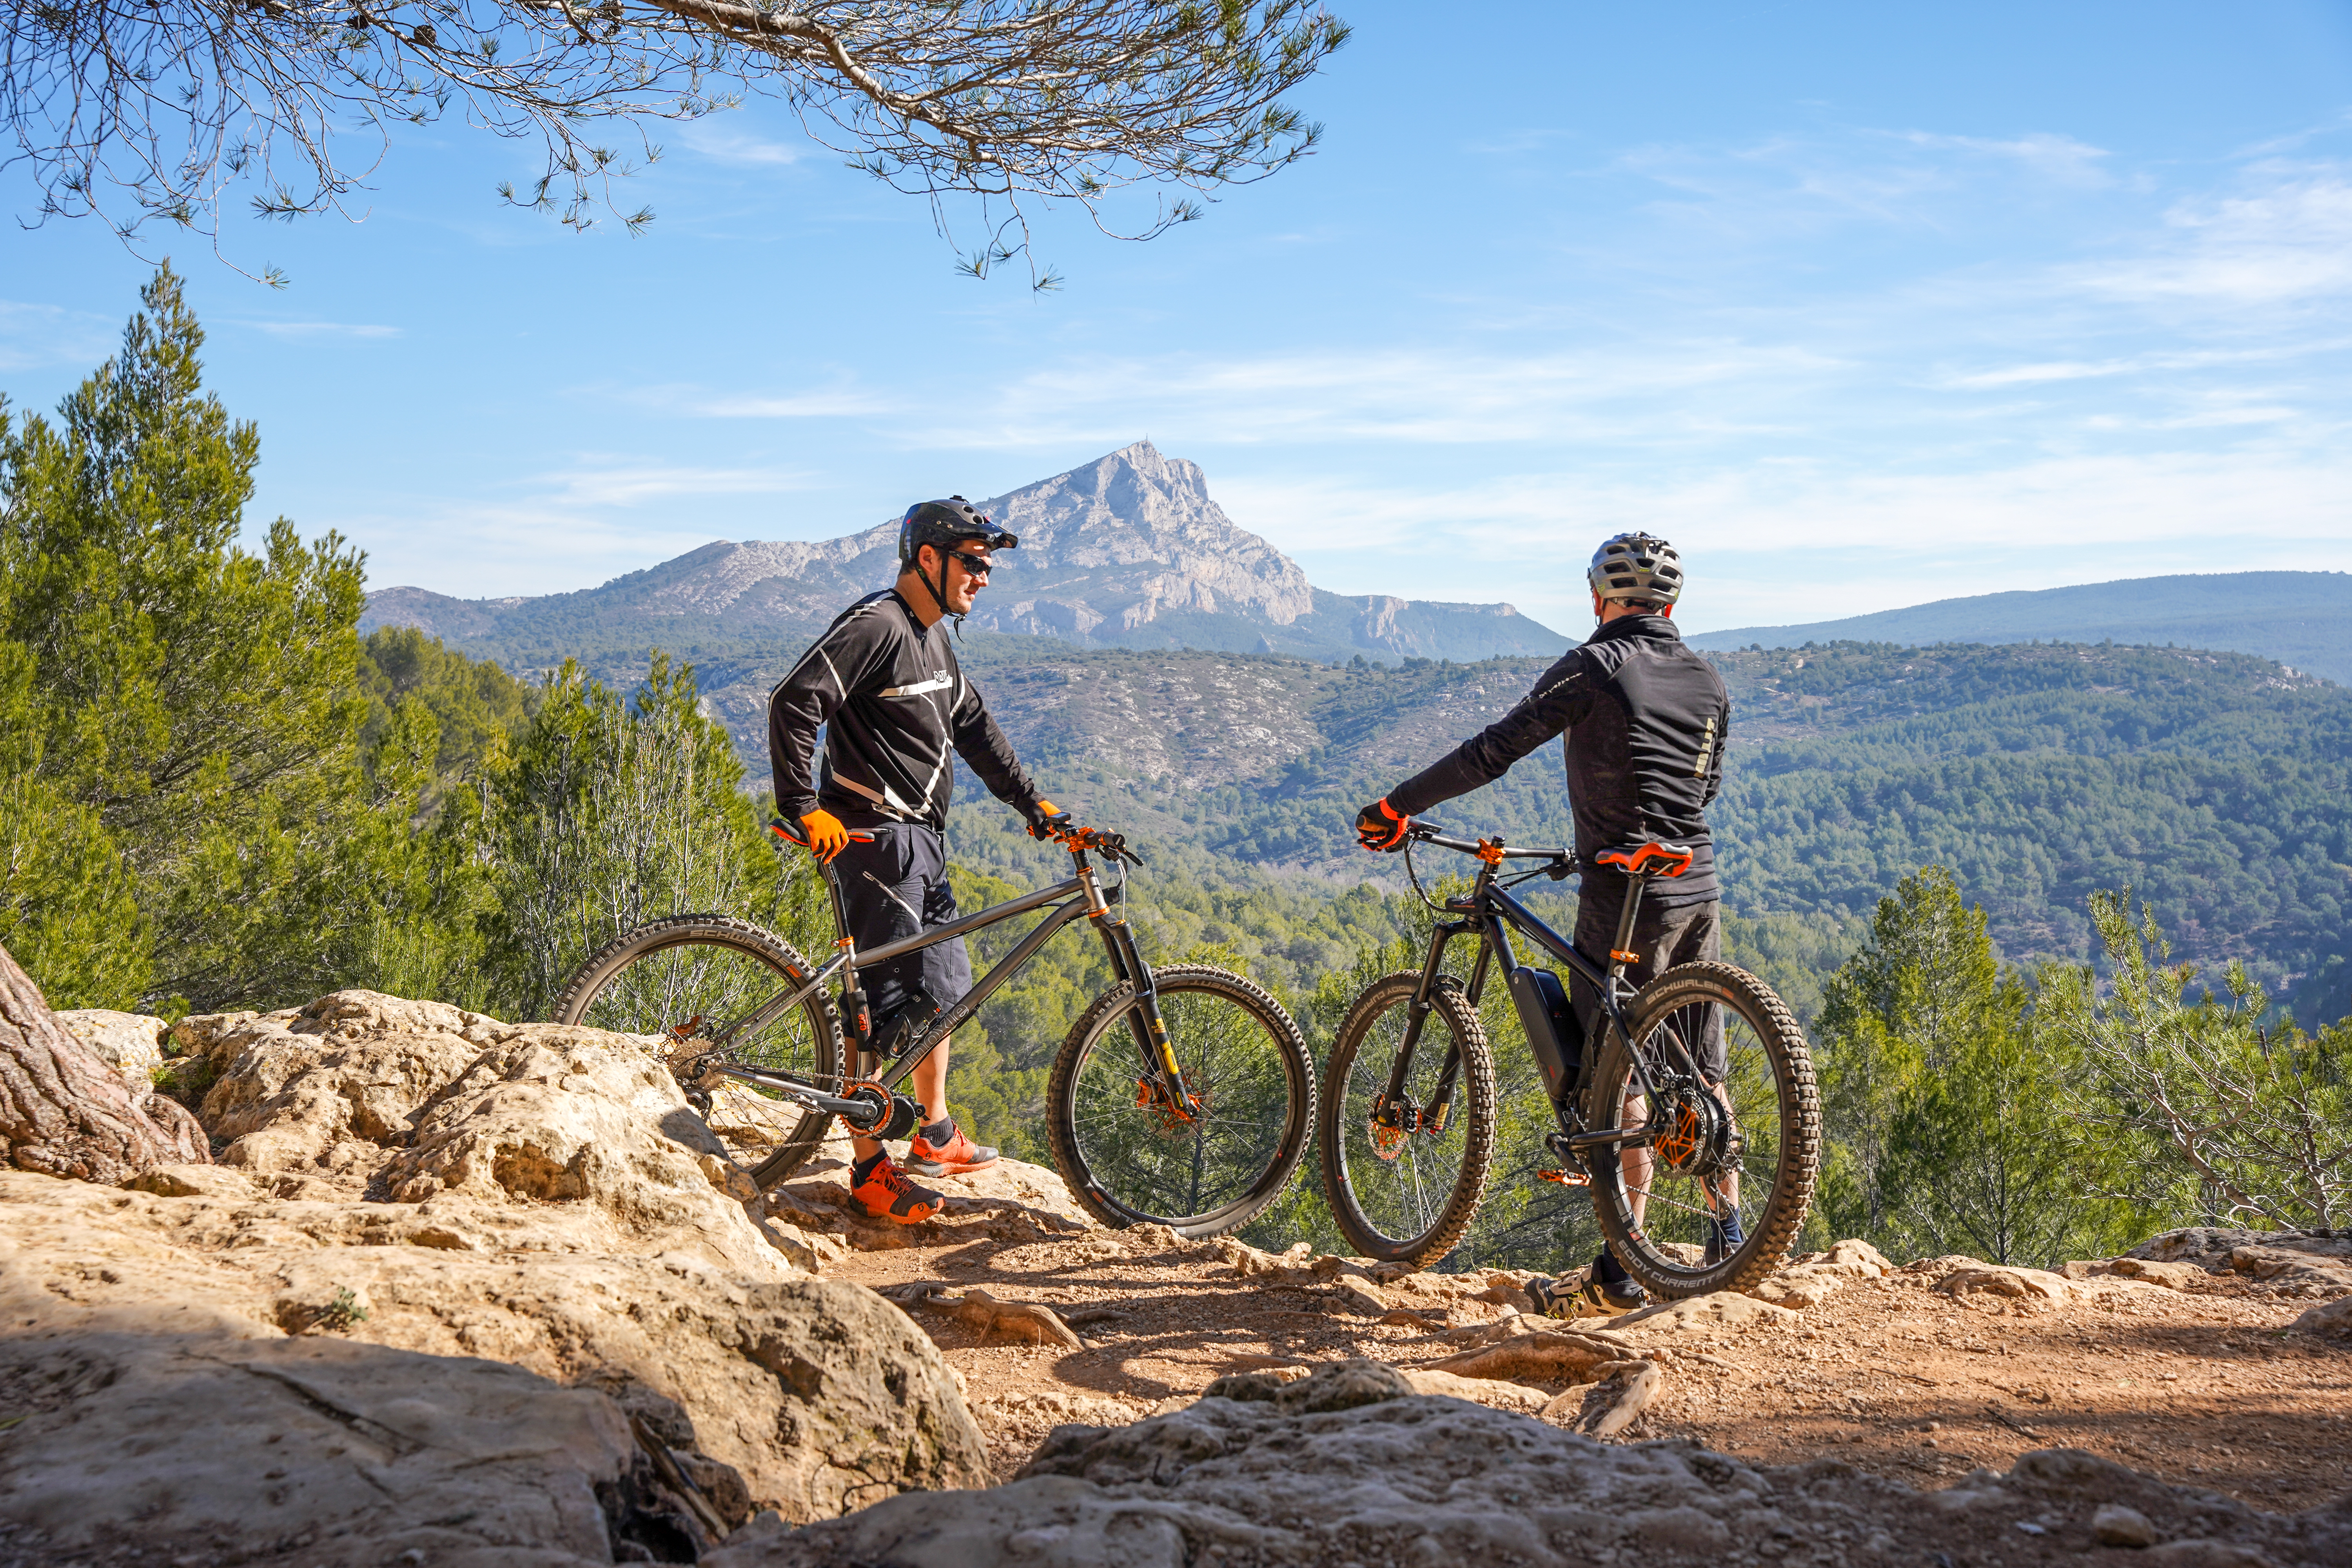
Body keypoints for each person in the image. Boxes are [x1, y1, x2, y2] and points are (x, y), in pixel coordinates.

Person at [1352, 532, 1734, 1314]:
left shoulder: (1595, 664)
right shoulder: (1708, 678)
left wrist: (1398, 806)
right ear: (1673, 604)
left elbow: (1495, 748)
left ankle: (1620, 1268)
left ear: (1599, 599)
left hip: (1623, 886)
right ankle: (1731, 1236)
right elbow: (1704, 785)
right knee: (1701, 1064)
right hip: (1695, 881)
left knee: (1615, 1077)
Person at [767, 496, 1073, 1224]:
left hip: (922, 845)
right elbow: (793, 702)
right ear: (928, 559)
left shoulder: (933, 637)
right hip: (876, 841)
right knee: (885, 1011)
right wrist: (802, 806)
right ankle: (869, 1171)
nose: (985, 578)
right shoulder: (878, 625)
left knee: (944, 988)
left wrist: (1035, 807)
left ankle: (932, 1132)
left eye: (989, 566)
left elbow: (975, 729)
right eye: (973, 563)